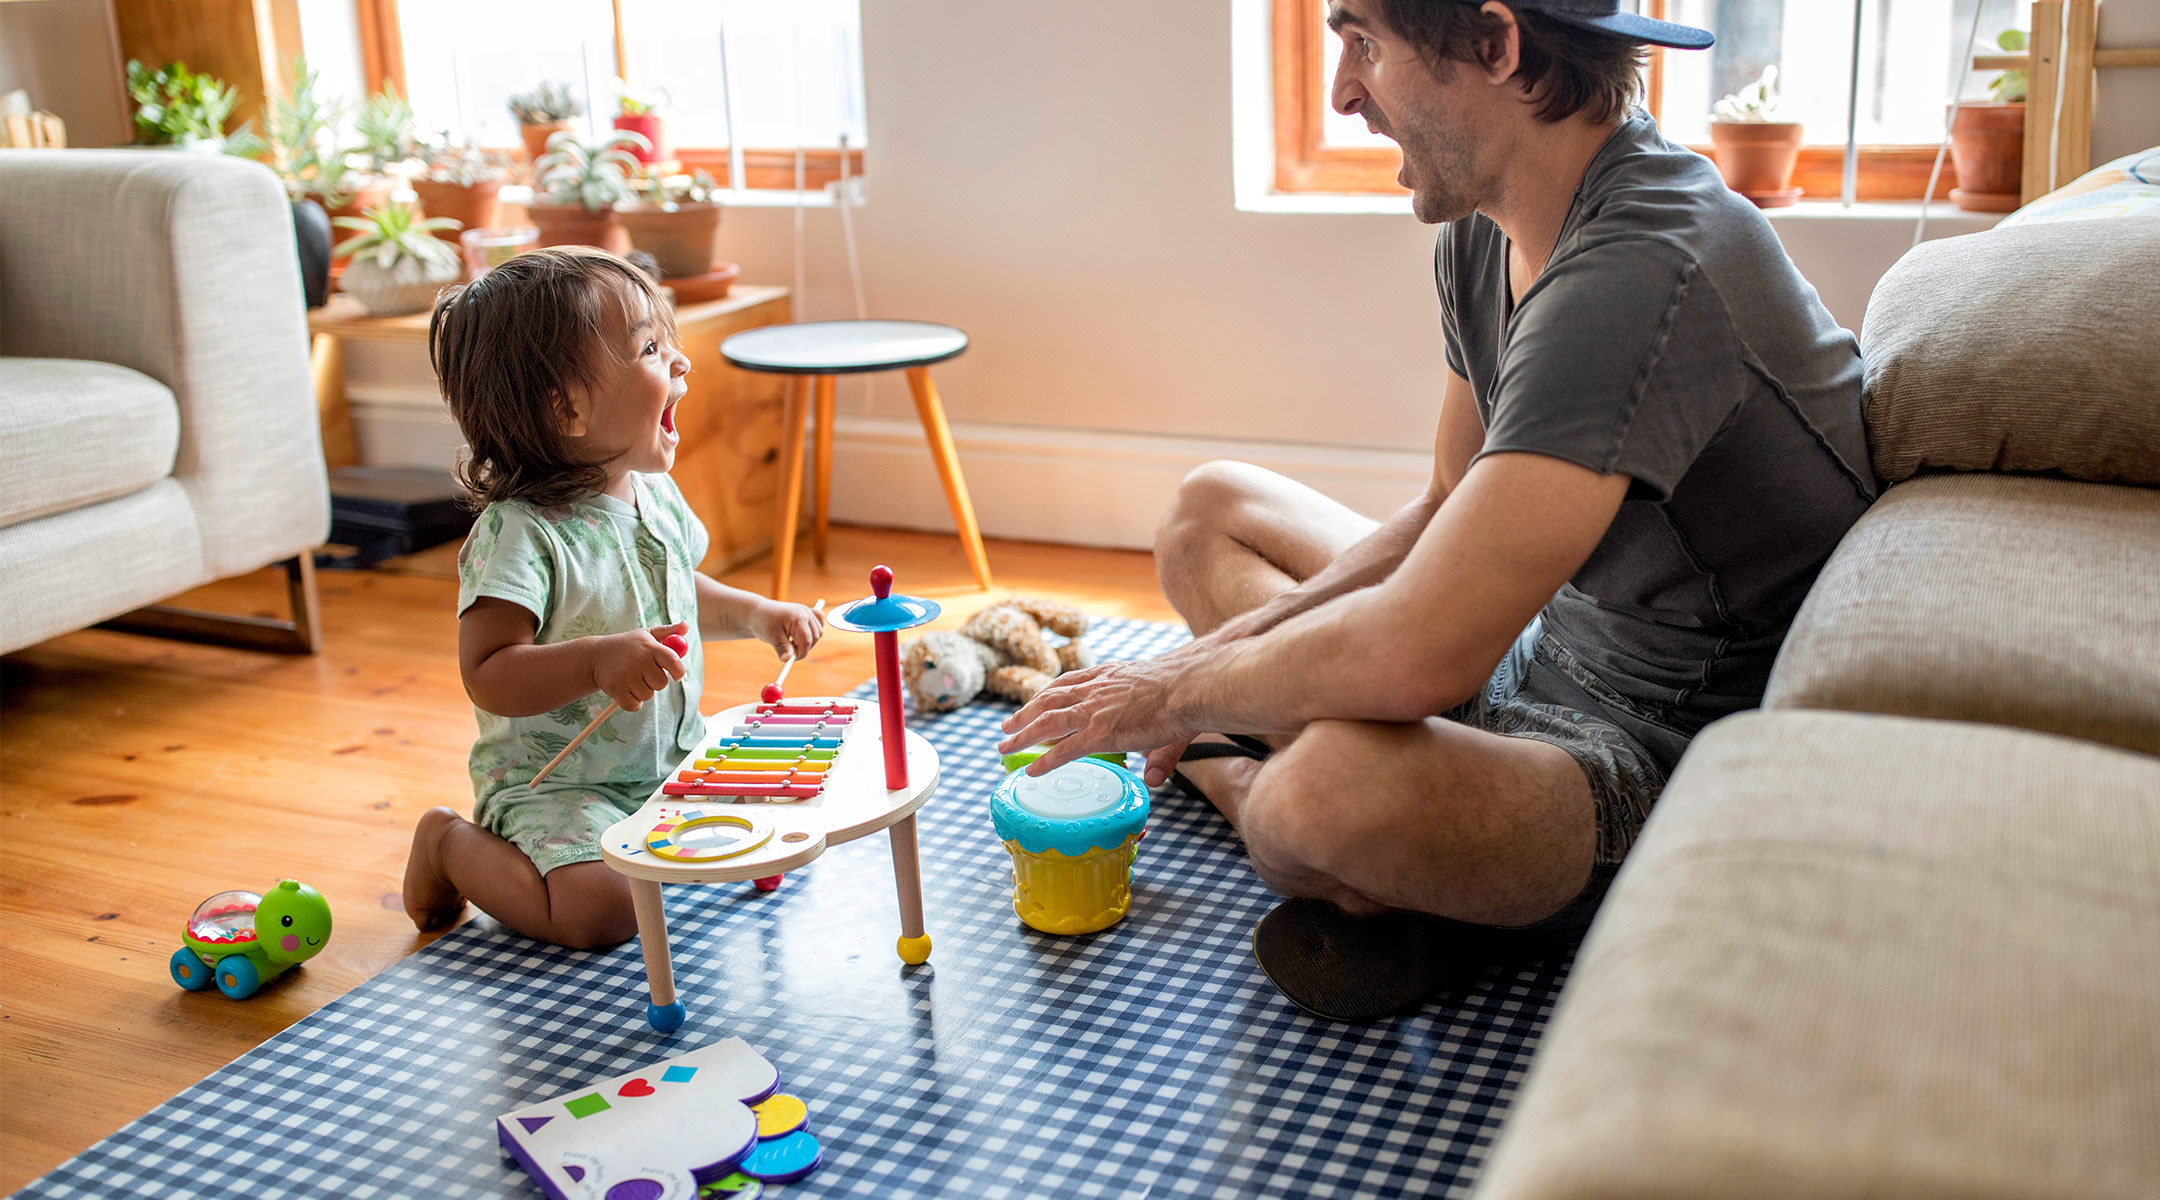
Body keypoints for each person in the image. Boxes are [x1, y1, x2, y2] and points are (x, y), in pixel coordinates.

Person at [999, 0, 1877, 1013]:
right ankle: (1411, 887)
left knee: (1316, 797)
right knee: (1211, 515)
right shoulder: (1488, 227)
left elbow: (1420, 654)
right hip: (1537, 647)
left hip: (1661, 755)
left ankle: (1324, 837)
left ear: (1495, 45)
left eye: (1365, 43)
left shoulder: (1645, 267)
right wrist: (1187, 670)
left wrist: (1170, 701)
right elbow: (1446, 505)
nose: (1341, 91)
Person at [402, 247, 824, 949]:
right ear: (567, 408)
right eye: (652, 348)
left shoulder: (653, 493)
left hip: (668, 766)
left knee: (779, 807)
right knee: (602, 912)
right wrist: (598, 660)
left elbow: (677, 593)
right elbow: (488, 670)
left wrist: (753, 612)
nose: (680, 362)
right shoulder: (518, 534)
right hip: (560, 786)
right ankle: (448, 843)